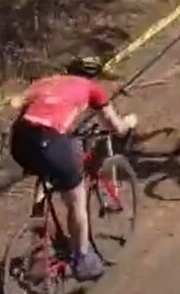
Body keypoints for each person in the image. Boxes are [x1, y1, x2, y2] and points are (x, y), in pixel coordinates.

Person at [8, 59, 137, 281]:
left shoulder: (45, 82)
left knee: (46, 175)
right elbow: (115, 127)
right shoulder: (91, 88)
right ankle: (82, 260)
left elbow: (17, 104)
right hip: (50, 140)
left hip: (20, 139)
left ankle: (39, 235)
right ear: (93, 76)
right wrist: (129, 122)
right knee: (76, 199)